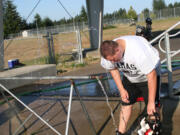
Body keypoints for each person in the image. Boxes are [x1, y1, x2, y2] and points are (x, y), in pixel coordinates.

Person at [100, 35, 161, 135]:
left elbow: (151, 75)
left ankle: (155, 130)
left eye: (114, 59)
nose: (112, 62)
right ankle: (120, 132)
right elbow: (113, 69)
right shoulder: (109, 54)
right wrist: (121, 89)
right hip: (130, 77)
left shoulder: (138, 51)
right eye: (110, 60)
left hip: (149, 76)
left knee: (152, 108)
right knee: (126, 102)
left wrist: (151, 102)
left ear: (118, 49)